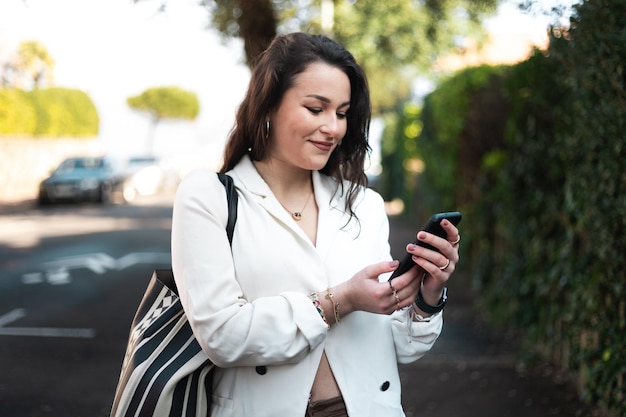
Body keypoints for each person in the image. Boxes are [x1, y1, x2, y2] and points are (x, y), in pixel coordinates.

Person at [171, 32, 460, 417]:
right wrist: (338, 302)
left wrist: (426, 296)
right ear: (269, 105)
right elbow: (223, 335)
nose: (334, 128)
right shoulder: (208, 195)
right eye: (315, 108)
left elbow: (400, 346)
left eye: (341, 113)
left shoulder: (364, 204)